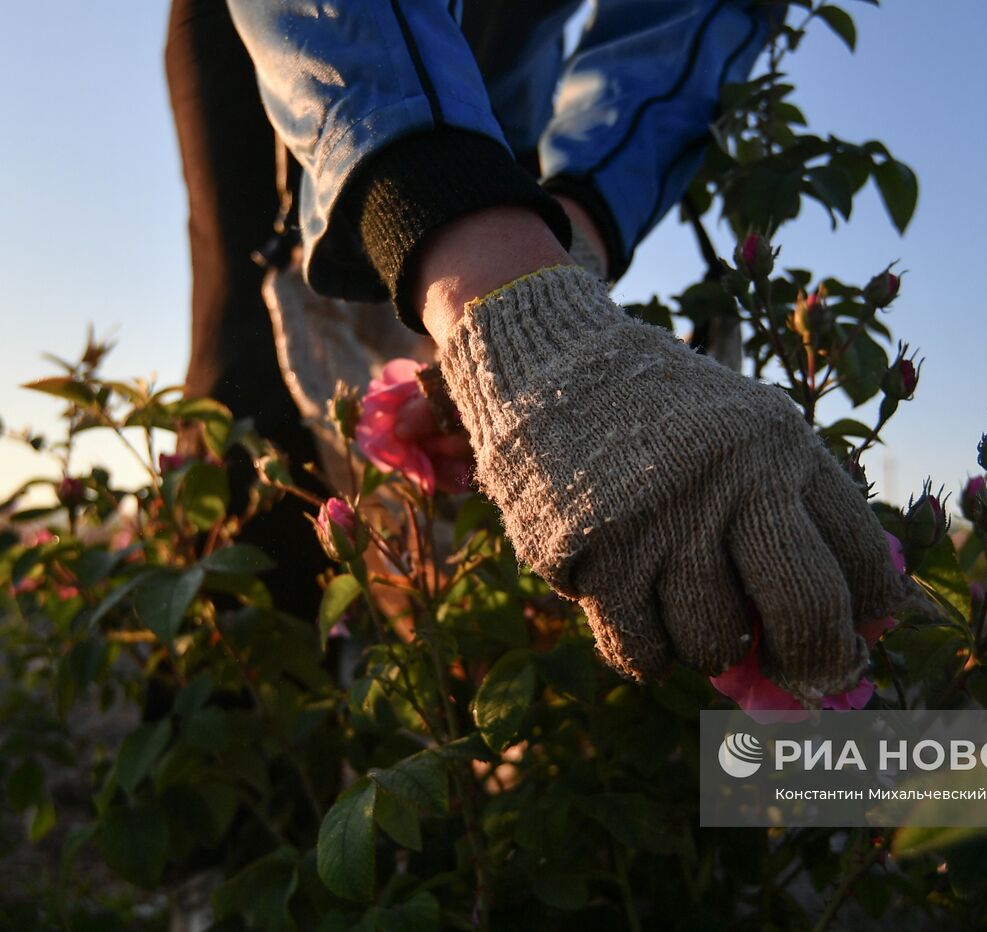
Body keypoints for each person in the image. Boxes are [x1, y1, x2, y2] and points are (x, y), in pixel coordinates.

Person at [222, 0, 910, 700]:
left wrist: (569, 237)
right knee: (247, 423)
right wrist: (494, 276)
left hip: (501, 131)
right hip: (292, 71)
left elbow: (681, 21)